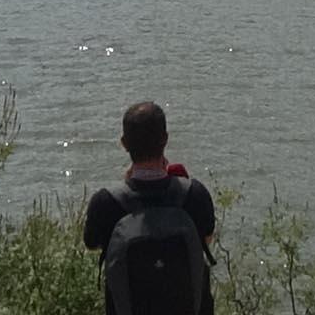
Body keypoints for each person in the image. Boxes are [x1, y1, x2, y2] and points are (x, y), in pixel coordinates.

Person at [83, 101, 217, 315]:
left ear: (124, 143)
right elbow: (207, 239)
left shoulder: (106, 202)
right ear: (165, 138)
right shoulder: (194, 195)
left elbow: (92, 245)